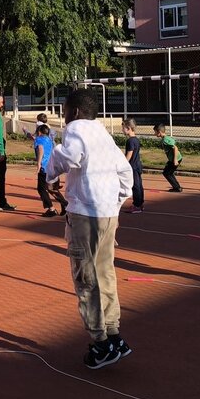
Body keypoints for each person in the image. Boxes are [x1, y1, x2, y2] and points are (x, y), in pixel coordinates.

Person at [45, 88, 135, 370]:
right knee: (105, 273)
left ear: (75, 112)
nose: (64, 116)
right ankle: (113, 333)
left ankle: (100, 343)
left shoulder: (75, 130)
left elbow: (69, 157)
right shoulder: (103, 133)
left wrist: (50, 171)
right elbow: (125, 172)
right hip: (107, 214)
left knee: (86, 278)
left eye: (65, 110)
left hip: (85, 214)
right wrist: (116, 203)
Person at [35, 124, 67, 217]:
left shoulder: (39, 139)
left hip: (44, 167)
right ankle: (65, 204)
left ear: (40, 132)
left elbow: (40, 149)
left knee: (41, 189)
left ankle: (51, 209)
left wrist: (39, 163)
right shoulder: (49, 140)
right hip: (52, 167)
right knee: (52, 189)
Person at [121, 118, 144, 213]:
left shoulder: (130, 141)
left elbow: (129, 155)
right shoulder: (136, 140)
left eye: (123, 128)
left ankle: (137, 205)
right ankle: (140, 203)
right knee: (139, 185)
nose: (122, 130)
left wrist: (123, 165)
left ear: (129, 128)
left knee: (136, 186)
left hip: (133, 166)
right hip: (137, 165)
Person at [153, 124, 183, 192]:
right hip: (172, 159)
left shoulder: (165, 140)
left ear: (159, 132)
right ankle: (177, 187)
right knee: (168, 173)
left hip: (175, 159)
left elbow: (175, 148)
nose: (154, 134)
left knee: (167, 173)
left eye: (155, 132)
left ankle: (177, 188)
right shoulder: (166, 138)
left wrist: (175, 160)